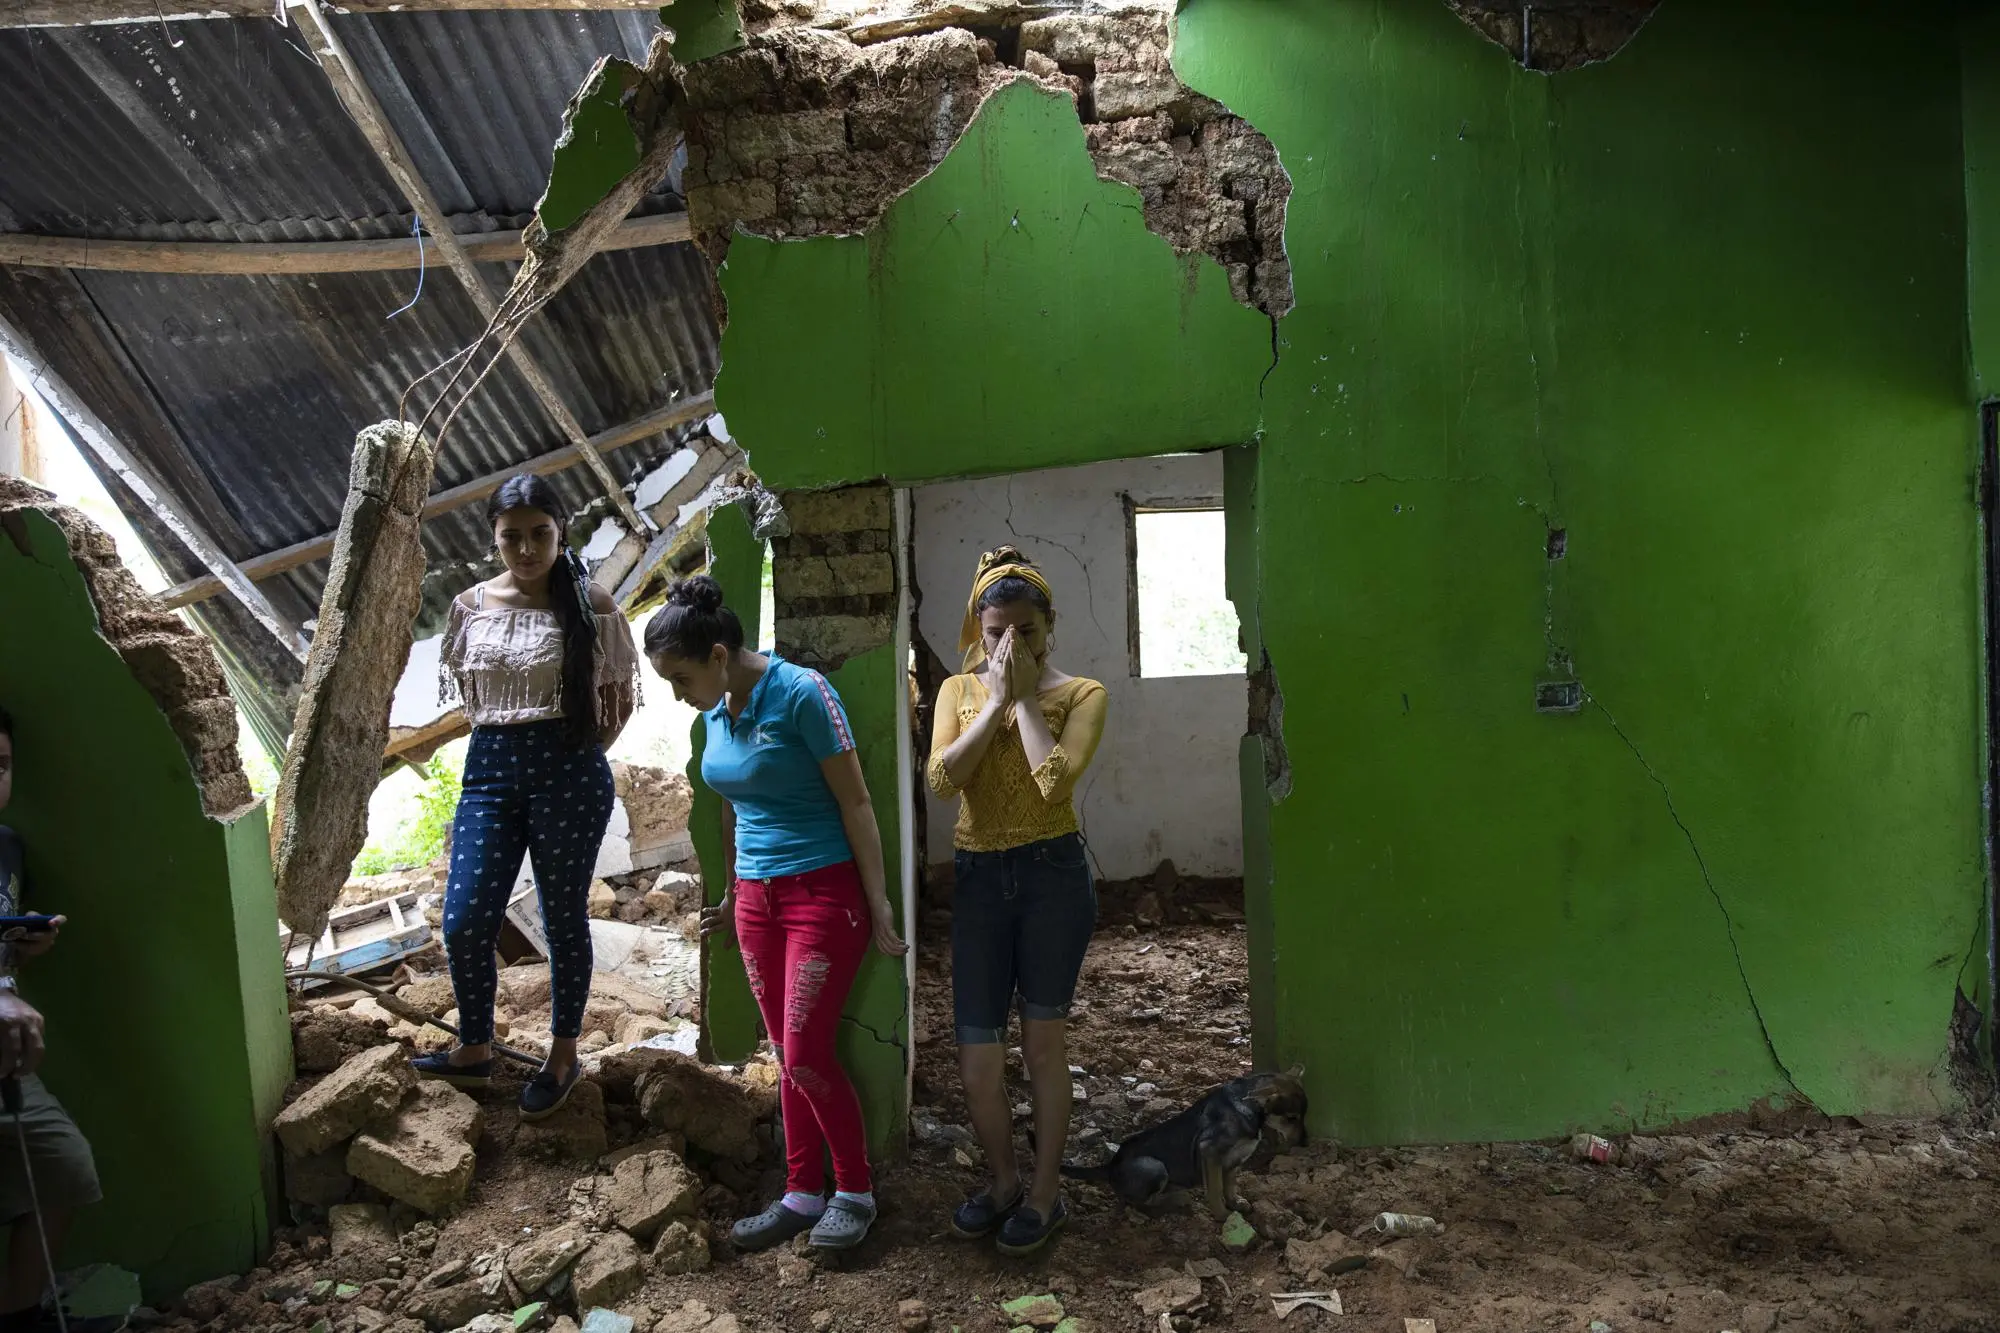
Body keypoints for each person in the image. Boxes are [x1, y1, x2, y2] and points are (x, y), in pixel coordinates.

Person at [644, 575, 905, 1253]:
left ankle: (855, 1190)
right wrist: (733, 891)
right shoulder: (714, 713)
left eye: (680, 677)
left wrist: (876, 901)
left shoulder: (803, 693)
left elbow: (857, 803)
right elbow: (730, 800)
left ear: (720, 656)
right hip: (758, 899)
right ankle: (801, 1192)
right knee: (788, 1052)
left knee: (809, 1052)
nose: (678, 695)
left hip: (822, 894)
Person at [413, 474, 640, 1120]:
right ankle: (475, 1048)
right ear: (493, 539)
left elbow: (617, 704)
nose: (526, 549)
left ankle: (563, 1055)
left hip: (569, 772)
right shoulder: (470, 607)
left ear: (560, 530)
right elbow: (473, 697)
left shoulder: (592, 603)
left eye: (540, 533)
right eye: (511, 537)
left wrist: (571, 749)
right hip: (490, 771)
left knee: (563, 915)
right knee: (463, 919)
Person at [927, 547, 1107, 1256]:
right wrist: (996, 699)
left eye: (1024, 633)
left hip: (1051, 878)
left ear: (1048, 627)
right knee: (977, 1057)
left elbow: (1051, 782)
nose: (1010, 647)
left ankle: (1042, 1194)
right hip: (979, 881)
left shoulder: (1083, 694)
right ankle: (1002, 1181)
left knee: (1041, 1045)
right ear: (979, 627)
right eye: (996, 632)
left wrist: (1025, 697)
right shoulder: (955, 692)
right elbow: (944, 781)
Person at [0, 706, 119, 1333]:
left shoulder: (7, 846)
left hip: (8, 1064)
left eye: (1, 765)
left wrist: (21, 946)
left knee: (63, 1169)